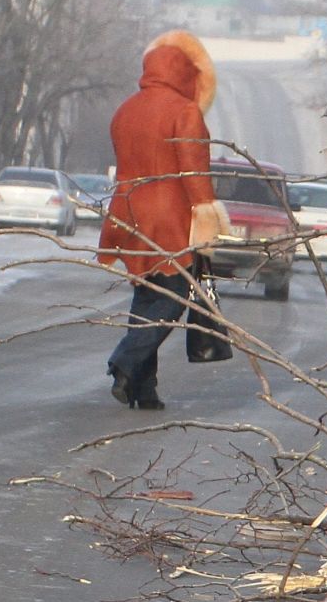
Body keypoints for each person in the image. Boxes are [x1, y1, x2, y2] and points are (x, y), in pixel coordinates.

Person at [97, 30, 232, 409]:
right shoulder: (184, 111)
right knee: (175, 297)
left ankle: (144, 388)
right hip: (169, 217)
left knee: (146, 298)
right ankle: (124, 363)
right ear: (188, 74)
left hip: (128, 213)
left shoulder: (126, 109)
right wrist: (206, 217)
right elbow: (192, 171)